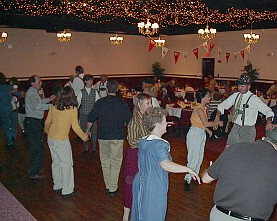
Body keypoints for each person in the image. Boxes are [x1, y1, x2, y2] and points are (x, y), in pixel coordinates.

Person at [201, 126, 277, 221]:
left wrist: (209, 169)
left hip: (219, 216)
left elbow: (205, 179)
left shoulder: (235, 147)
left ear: (264, 138)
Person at [131, 107, 201, 221]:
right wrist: (188, 169)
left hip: (139, 183)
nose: (167, 123)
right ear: (158, 125)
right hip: (154, 186)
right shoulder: (160, 144)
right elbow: (165, 164)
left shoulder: (143, 141)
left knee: (140, 216)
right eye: (165, 120)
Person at [86, 80, 132, 197]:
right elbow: (129, 120)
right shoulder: (122, 103)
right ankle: (112, 187)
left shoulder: (100, 102)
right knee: (116, 162)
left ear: (106, 89)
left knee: (105, 162)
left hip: (103, 136)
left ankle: (108, 185)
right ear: (117, 89)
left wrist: (87, 130)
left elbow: (91, 117)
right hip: (117, 136)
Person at [44, 86, 89, 197]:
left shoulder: (54, 106)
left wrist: (46, 131)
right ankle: (67, 189)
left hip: (51, 138)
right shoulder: (72, 109)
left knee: (56, 162)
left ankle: (57, 185)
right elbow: (76, 127)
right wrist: (85, 137)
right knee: (67, 165)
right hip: (61, 139)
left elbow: (47, 122)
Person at [214, 74, 274, 148]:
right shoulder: (236, 95)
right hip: (235, 128)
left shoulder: (254, 99)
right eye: (239, 85)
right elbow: (222, 106)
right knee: (228, 149)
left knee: (243, 153)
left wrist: (269, 123)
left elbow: (268, 111)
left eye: (242, 86)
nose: (240, 88)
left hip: (247, 130)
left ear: (249, 86)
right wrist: (217, 117)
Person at [184, 88, 223, 192]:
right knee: (193, 158)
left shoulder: (202, 108)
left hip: (200, 133)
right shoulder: (199, 109)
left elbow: (201, 123)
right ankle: (187, 179)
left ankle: (194, 176)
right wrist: (217, 123)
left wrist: (207, 130)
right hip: (195, 134)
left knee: (199, 157)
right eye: (208, 96)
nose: (210, 97)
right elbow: (205, 123)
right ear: (203, 97)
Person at [123, 93, 152, 221]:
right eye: (148, 103)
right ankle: (126, 214)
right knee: (131, 183)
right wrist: (148, 140)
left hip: (143, 154)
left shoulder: (146, 118)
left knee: (141, 183)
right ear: (140, 105)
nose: (150, 105)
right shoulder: (135, 120)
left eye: (150, 103)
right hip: (135, 154)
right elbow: (132, 141)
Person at [25, 75, 55, 179]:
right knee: (38, 148)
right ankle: (34, 172)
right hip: (33, 123)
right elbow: (37, 106)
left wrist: (49, 99)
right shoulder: (32, 94)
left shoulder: (33, 92)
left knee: (37, 147)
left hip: (33, 122)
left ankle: (35, 169)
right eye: (39, 82)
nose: (41, 83)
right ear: (32, 83)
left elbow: (39, 102)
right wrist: (52, 106)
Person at [0, 73, 17, 147]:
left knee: (5, 125)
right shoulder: (9, 87)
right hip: (13, 108)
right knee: (14, 124)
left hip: (3, 109)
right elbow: (17, 94)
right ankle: (13, 135)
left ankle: (10, 141)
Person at [76, 74, 100, 153]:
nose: (91, 82)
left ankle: (94, 148)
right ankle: (86, 148)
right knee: (84, 131)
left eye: (91, 80)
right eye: (89, 80)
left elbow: (97, 103)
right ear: (85, 81)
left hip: (92, 115)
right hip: (83, 114)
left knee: (94, 132)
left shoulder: (95, 92)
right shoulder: (81, 92)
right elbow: (77, 104)